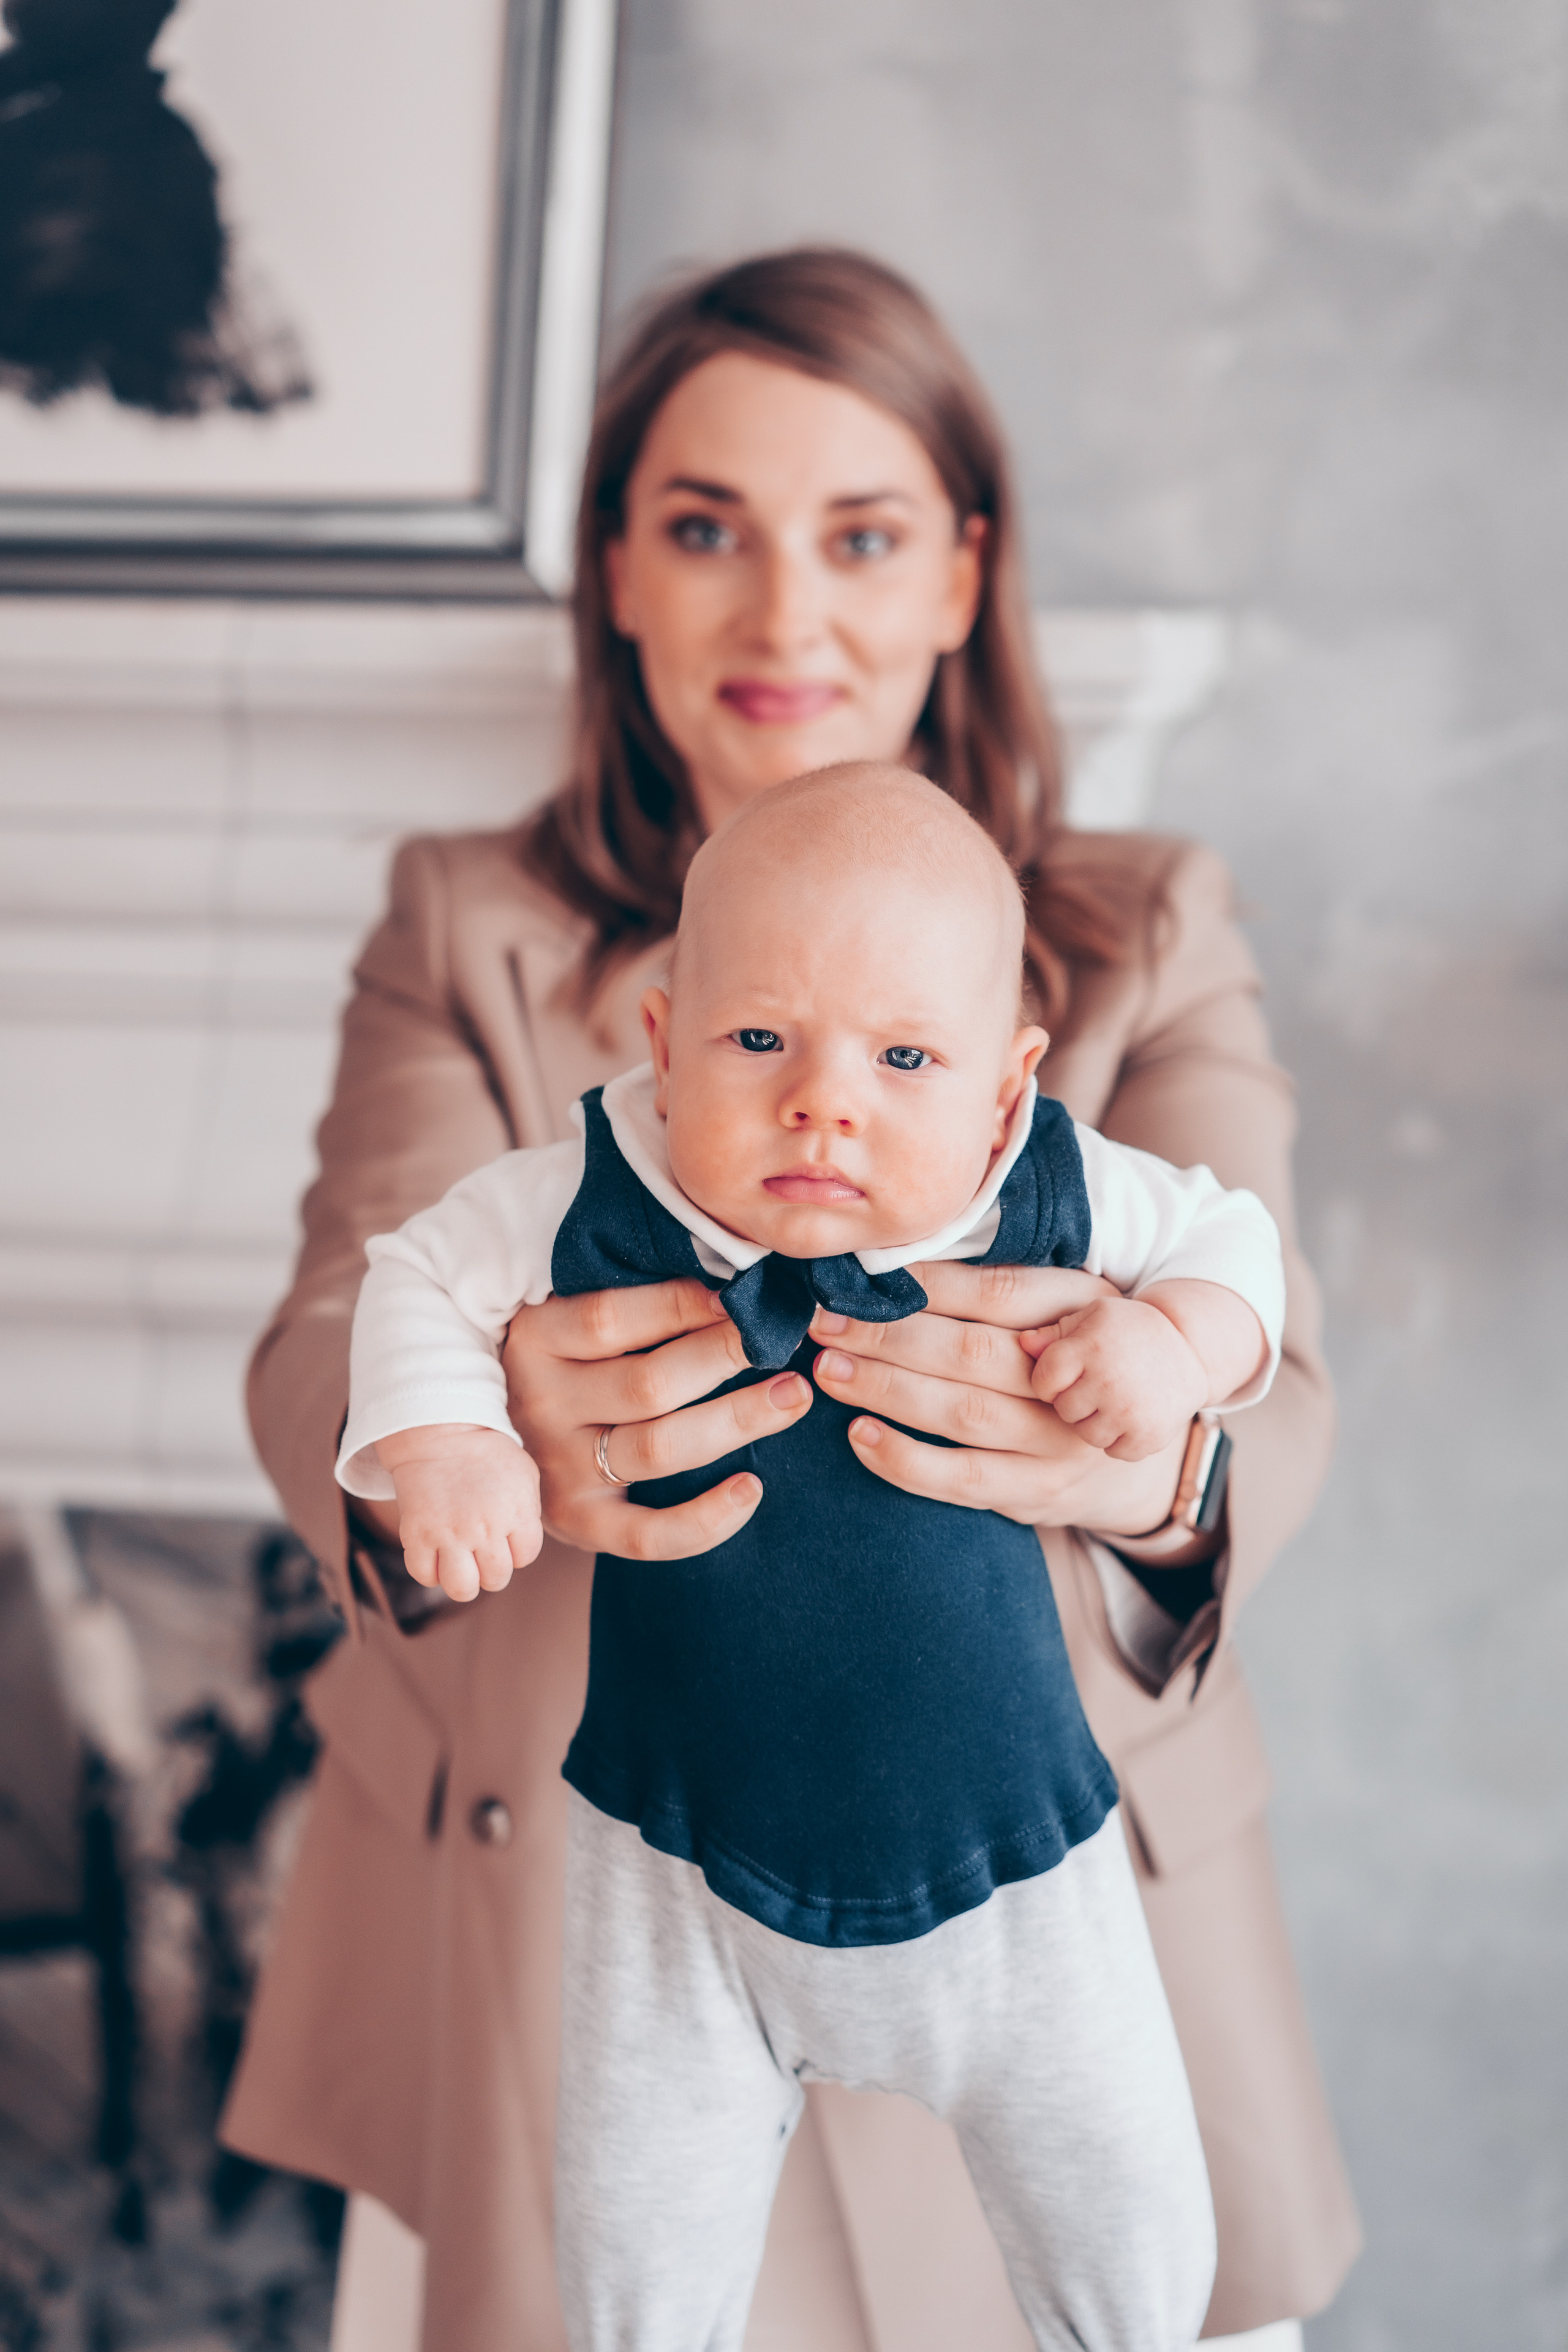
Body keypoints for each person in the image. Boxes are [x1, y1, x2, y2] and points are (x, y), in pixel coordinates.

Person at [222, 248, 1362, 2352]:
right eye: (703, 531)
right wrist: (457, 1443)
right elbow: (335, 1330)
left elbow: (1269, 1369)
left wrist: (1143, 1448)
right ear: (617, 578)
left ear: (961, 575)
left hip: (1060, 1918)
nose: (783, 612)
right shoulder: (469, 930)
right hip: (591, 1932)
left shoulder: (1137, 929)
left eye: (861, 535)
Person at [339, 764, 1289, 2350]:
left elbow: (1238, 1244)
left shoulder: (1053, 1183)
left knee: (1127, 2227)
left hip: (1024, 1867)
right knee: (639, 2243)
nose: (821, 1103)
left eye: (905, 1057)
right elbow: (411, 1274)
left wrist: (1174, 1355)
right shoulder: (595, 1182)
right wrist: (447, 1440)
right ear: (660, 1040)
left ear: (1004, 1088)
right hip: (673, 1876)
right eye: (759, 1041)